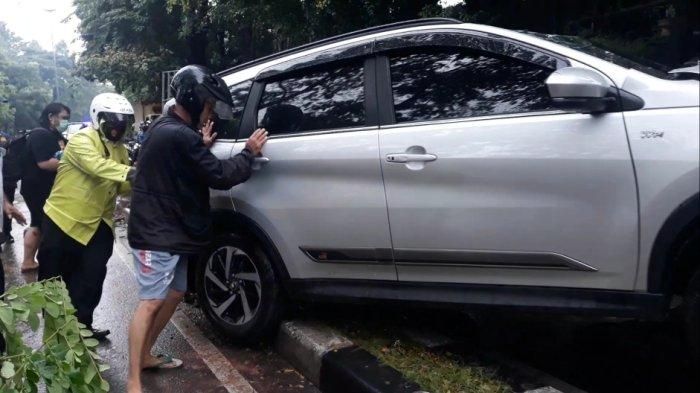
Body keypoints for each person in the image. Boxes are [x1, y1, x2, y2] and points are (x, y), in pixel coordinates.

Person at [126, 65, 268, 392]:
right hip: (155, 232)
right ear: (193, 99)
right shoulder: (176, 133)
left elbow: (177, 164)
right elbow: (219, 174)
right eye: (207, 104)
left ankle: (146, 354)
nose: (209, 110)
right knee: (150, 301)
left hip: (171, 229)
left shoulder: (170, 128)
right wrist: (249, 152)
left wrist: (199, 145)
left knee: (174, 293)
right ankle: (133, 381)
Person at [37, 93, 136, 340]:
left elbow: (123, 186)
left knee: (91, 279)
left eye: (123, 122)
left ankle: (83, 327)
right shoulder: (82, 139)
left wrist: (141, 183)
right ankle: (57, 335)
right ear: (98, 118)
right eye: (113, 121)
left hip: (98, 225)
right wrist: (135, 172)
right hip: (63, 220)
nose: (118, 127)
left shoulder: (120, 150)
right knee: (55, 281)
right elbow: (96, 166)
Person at [20, 103, 70, 272]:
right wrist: (72, 164)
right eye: (63, 117)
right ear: (51, 116)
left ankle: (29, 260)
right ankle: (28, 261)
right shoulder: (40, 134)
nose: (66, 121)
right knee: (39, 224)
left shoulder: (55, 134)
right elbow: (44, 163)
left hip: (45, 187)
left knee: (39, 223)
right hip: (36, 188)